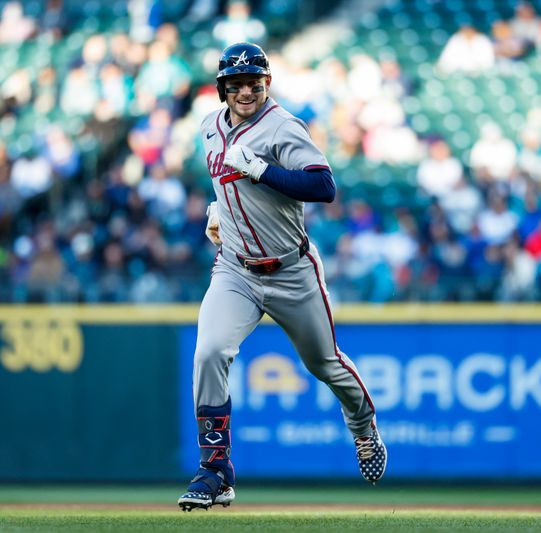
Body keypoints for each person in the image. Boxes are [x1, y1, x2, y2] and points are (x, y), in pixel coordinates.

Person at [177, 43, 386, 512]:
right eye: (237, 84)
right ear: (223, 89)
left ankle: (363, 426)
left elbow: (323, 186)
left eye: (254, 82)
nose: (246, 91)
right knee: (209, 352)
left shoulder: (282, 125)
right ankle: (215, 471)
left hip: (291, 270)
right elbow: (225, 185)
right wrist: (219, 211)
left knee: (324, 363)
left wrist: (260, 169)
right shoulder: (211, 128)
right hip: (235, 267)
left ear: (266, 84)